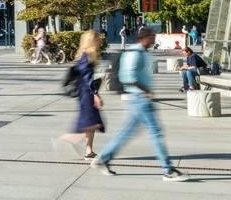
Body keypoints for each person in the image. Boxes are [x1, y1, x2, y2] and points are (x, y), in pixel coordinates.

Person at [92, 27, 188, 182]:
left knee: (125, 132)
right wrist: (146, 91)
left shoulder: (142, 52)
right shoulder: (134, 53)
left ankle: (103, 158)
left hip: (139, 99)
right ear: (143, 38)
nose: (153, 41)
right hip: (139, 98)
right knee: (156, 133)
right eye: (151, 38)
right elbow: (128, 77)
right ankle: (168, 169)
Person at [56, 31, 104, 159]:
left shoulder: (89, 55)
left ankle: (89, 150)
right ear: (92, 40)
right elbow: (87, 78)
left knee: (91, 122)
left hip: (87, 92)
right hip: (86, 94)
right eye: (98, 38)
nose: (100, 40)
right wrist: (96, 94)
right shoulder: (86, 55)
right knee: (88, 122)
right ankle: (66, 141)